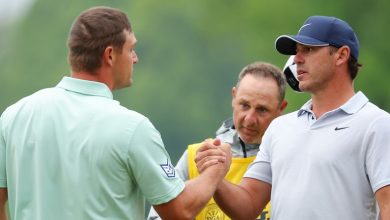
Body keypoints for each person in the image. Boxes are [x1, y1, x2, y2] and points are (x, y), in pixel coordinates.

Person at [0, 6, 231, 220]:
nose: (135, 58)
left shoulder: (13, 116)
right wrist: (216, 170)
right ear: (110, 55)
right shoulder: (133, 128)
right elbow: (179, 209)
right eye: (131, 49)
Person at [196, 15, 390, 219]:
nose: (297, 59)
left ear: (341, 55)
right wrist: (214, 175)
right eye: (297, 51)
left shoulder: (377, 124)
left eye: (309, 49)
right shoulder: (280, 127)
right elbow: (247, 205)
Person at [148, 61, 288, 220]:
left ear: (281, 108)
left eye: (262, 110)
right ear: (234, 97)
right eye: (244, 105)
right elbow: (158, 216)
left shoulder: (287, 161)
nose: (249, 119)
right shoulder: (198, 155)